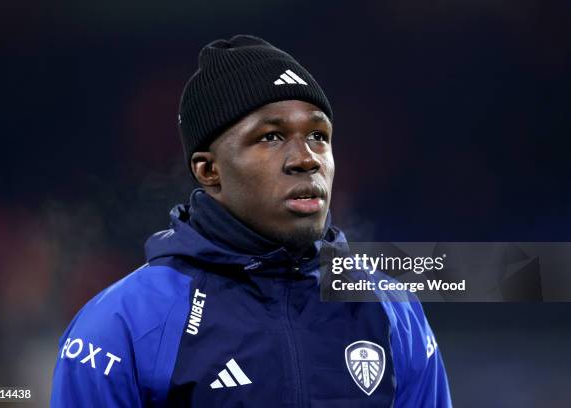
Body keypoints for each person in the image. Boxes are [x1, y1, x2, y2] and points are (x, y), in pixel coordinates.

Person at [50, 34, 452, 407]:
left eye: (318, 135)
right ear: (209, 171)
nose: (306, 159)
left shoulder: (390, 309)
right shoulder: (122, 327)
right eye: (271, 137)